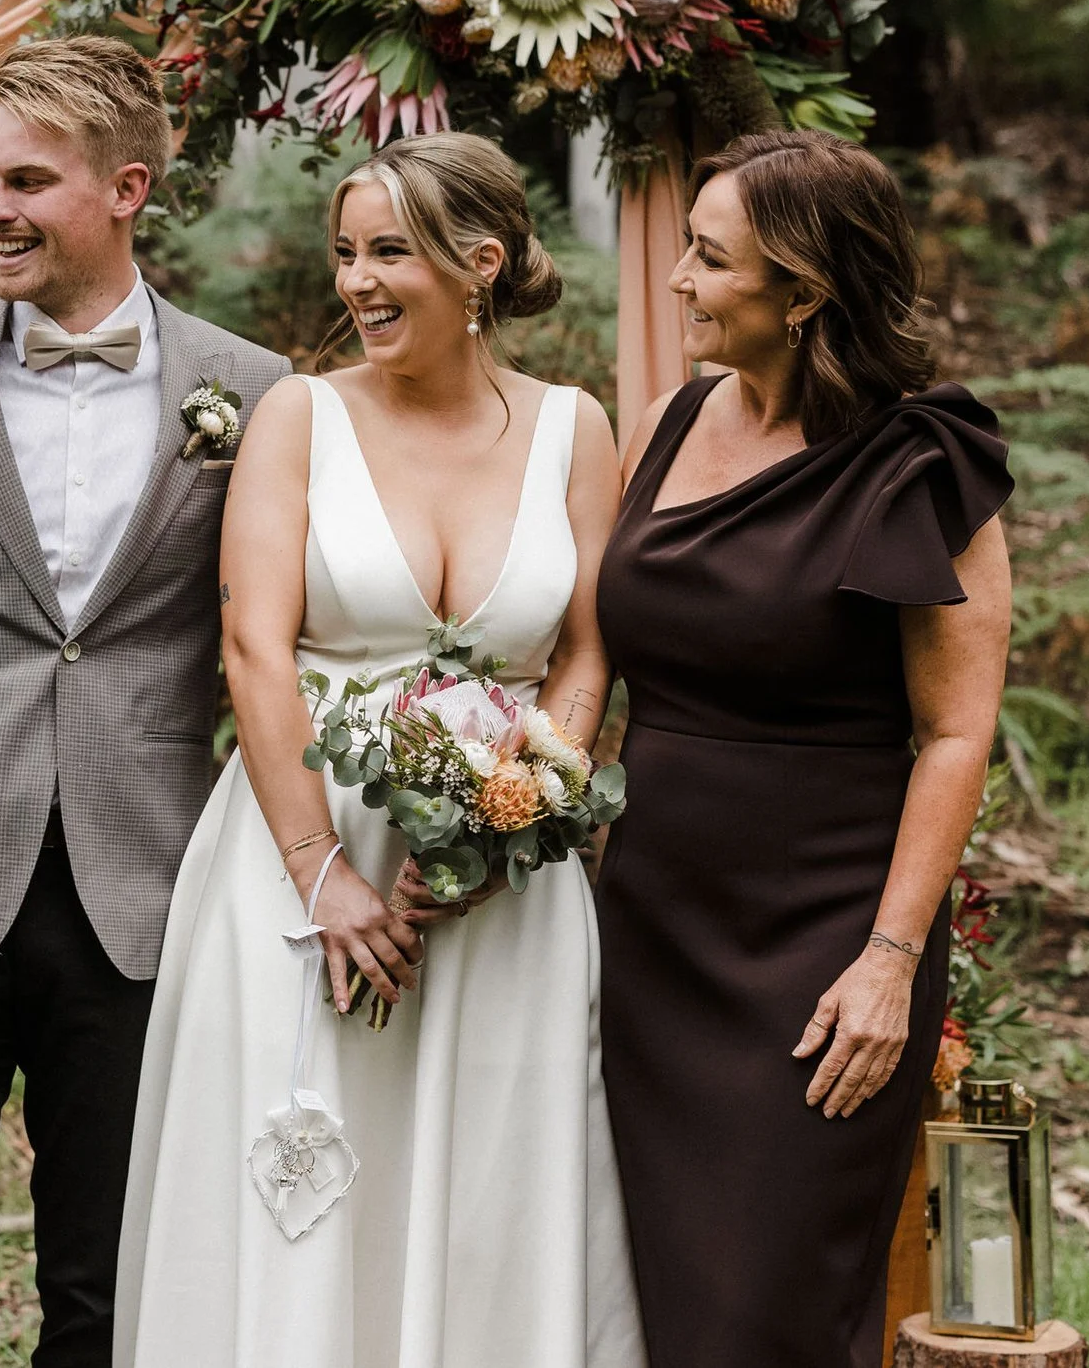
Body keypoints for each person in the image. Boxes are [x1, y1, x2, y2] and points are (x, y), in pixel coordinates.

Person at [115, 133, 645, 1368]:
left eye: (388, 252)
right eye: (345, 252)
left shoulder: (574, 428)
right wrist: (320, 872)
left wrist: (519, 806)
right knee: (305, 1176)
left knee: (490, 1170)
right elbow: (254, 643)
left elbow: (582, 655)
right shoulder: (297, 415)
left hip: (506, 887)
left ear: (481, 264)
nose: (355, 281)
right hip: (303, 853)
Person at [0, 34, 289, 1367]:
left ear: (128, 187)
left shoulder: (254, 390)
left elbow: (277, 639)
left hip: (146, 887)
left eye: (26, 179)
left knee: (115, 1272)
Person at [597, 130, 1013, 1368]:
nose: (678, 280)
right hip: (653, 926)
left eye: (709, 260)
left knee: (767, 1308)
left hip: (825, 942)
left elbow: (952, 732)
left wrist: (889, 959)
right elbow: (591, 658)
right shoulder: (669, 424)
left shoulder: (918, 461)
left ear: (804, 288)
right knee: (652, 1296)